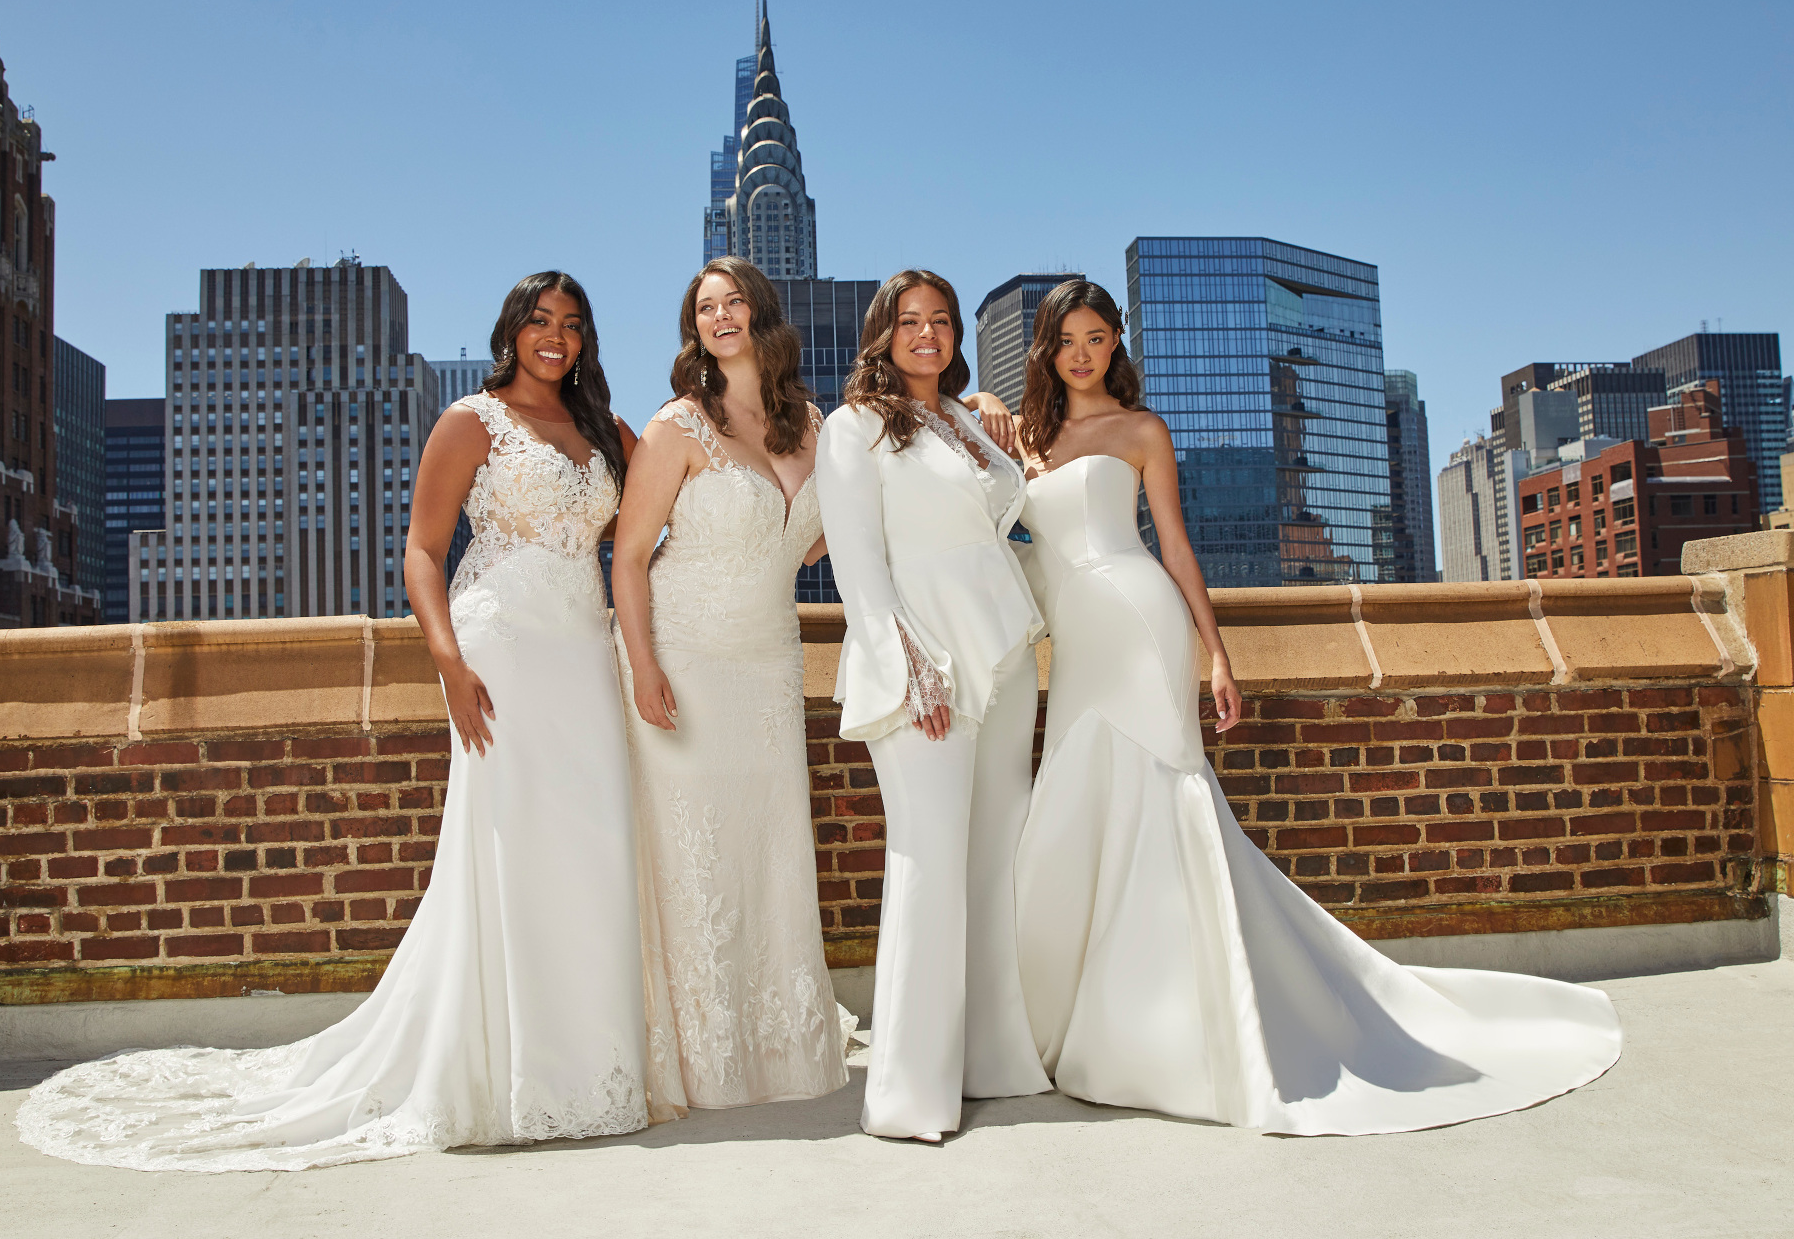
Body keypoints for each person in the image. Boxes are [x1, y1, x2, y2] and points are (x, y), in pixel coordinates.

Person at [16, 272, 653, 1170]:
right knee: (509, 846)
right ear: (510, 331)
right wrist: (447, 660)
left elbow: (655, 530)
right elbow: (423, 552)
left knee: (591, 845)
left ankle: (594, 1068)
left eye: (572, 324)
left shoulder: (603, 433)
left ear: (586, 340)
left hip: (586, 654)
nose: (556, 337)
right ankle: (509, 1074)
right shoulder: (470, 421)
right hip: (499, 650)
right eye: (539, 321)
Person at [996, 279, 1622, 1135]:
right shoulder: (1024, 437)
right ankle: (1067, 1018)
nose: (1082, 353)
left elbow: (1174, 545)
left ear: (1116, 344)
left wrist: (1216, 653)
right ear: (1045, 347)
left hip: (1141, 629)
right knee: (1079, 803)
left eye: (1098, 337)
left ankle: (1163, 1033)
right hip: (1076, 652)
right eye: (1066, 338)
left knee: (1160, 803)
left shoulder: (1141, 429)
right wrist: (984, 405)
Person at [815, 269, 1051, 1142]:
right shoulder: (854, 428)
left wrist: (986, 405)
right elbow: (855, 561)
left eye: (940, 321)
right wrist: (904, 658)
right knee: (927, 859)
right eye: (909, 321)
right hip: (921, 658)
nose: (926, 334)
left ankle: (990, 1058)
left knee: (995, 857)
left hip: (1003, 652)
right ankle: (910, 1093)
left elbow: (1004, 517)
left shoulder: (965, 419)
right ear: (881, 333)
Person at [611, 257, 850, 1118]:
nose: (719, 316)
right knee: (695, 854)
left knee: (770, 847)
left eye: (732, 301)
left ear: (761, 315)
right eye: (704, 307)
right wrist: (643, 666)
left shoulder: (815, 425)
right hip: (687, 655)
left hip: (768, 661)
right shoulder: (677, 426)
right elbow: (630, 557)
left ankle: (777, 1048)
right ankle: (704, 1056)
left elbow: (816, 538)